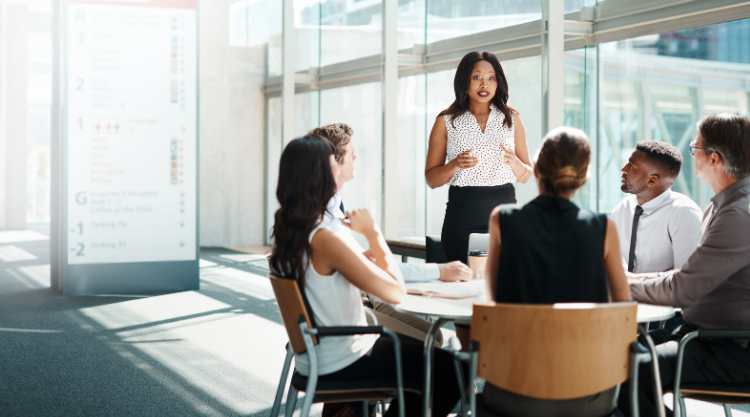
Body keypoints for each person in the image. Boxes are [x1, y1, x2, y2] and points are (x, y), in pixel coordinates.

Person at [269, 135, 465, 417]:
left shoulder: (292, 226)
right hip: (344, 357)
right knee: (454, 370)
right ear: (320, 174)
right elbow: (395, 293)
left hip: (322, 352)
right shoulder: (324, 235)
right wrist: (373, 234)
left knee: (431, 360)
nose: (338, 167)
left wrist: (361, 259)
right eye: (332, 164)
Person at [483, 127, 632, 417]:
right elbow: (623, 313)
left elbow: (490, 303)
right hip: (590, 395)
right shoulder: (604, 228)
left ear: (536, 168)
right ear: (583, 176)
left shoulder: (502, 219)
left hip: (511, 392)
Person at [621, 113, 750, 417]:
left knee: (622, 369)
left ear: (715, 159)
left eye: (696, 148)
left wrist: (620, 284)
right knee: (616, 353)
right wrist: (626, 279)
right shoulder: (726, 204)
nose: (691, 153)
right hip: (702, 335)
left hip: (726, 350)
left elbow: (684, 289)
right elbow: (688, 277)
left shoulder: (737, 214)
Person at [309, 123, 473, 347]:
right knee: (432, 345)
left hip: (355, 301)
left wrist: (365, 258)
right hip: (349, 314)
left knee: (435, 336)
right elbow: (389, 284)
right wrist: (373, 232)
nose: (356, 157)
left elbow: (369, 266)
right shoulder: (325, 226)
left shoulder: (328, 210)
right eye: (350, 153)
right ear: (333, 162)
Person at [425, 50, 533, 264]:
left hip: (505, 217)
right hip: (462, 217)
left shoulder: (511, 118)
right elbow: (432, 179)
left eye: (491, 78)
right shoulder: (446, 121)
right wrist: (455, 164)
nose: (485, 85)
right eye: (477, 77)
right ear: (464, 81)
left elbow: (526, 175)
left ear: (498, 82)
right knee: (464, 281)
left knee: (504, 282)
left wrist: (515, 163)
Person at [612, 141, 702, 273]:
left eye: (632, 166)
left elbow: (687, 280)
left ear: (652, 180)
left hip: (663, 294)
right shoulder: (623, 209)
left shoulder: (684, 214)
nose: (624, 169)